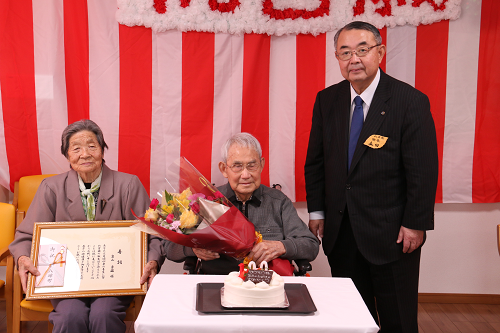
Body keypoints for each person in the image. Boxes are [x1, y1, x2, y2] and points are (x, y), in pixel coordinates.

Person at [304, 21, 438, 332]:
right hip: (341, 231)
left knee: (398, 320)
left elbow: (422, 169)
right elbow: (316, 162)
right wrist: (317, 211)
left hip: (393, 234)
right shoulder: (327, 100)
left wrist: (415, 222)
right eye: (345, 52)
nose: (354, 59)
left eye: (362, 50)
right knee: (352, 318)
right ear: (337, 58)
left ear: (379, 52)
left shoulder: (409, 101)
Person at [9, 119, 165, 333]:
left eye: (92, 146)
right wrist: (24, 258)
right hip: (68, 281)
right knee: (69, 316)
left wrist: (152, 261)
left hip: (114, 279)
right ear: (67, 156)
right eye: (76, 148)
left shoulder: (129, 184)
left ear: (102, 150)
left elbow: (154, 233)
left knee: (104, 314)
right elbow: (26, 235)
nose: (85, 154)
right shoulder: (51, 188)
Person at [165, 132, 319, 274]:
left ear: (261, 165)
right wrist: (193, 250)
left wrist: (281, 246)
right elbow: (169, 248)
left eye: (252, 165)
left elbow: (310, 245)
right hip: (217, 282)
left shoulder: (278, 202)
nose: (245, 175)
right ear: (224, 169)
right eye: (237, 166)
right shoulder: (206, 201)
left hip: (267, 286)